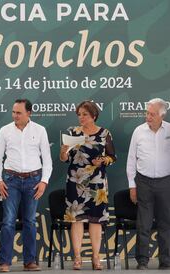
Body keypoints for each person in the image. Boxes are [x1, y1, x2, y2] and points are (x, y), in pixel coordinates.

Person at [0, 99, 52, 272]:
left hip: (34, 180)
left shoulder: (40, 130)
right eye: (13, 112)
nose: (15, 115)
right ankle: (4, 262)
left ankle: (29, 261)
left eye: (18, 112)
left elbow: (47, 159)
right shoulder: (5, 131)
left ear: (29, 113)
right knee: (8, 221)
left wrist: (44, 181)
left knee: (30, 221)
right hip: (10, 180)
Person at [60, 101, 116, 270]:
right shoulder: (72, 132)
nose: (81, 117)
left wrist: (103, 161)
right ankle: (77, 258)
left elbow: (112, 157)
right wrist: (63, 151)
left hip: (97, 182)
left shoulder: (104, 133)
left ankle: (96, 257)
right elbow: (64, 159)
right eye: (79, 114)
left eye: (84, 114)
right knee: (76, 220)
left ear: (93, 116)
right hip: (75, 181)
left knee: (96, 220)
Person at [126, 98, 170, 270]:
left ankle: (165, 260)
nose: (148, 117)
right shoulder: (138, 131)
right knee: (143, 223)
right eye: (147, 113)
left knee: (165, 223)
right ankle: (142, 261)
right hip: (143, 182)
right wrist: (132, 185)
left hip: (166, 182)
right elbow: (131, 160)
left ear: (161, 115)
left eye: (152, 114)